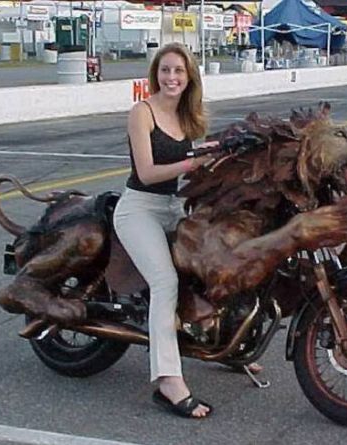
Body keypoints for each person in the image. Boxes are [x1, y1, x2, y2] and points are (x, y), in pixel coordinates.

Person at [113, 42, 217, 419]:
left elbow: (192, 161)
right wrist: (193, 163)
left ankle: (226, 345)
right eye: (165, 70)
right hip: (139, 208)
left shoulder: (187, 116)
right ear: (155, 74)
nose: (171, 77)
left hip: (175, 206)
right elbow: (146, 173)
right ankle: (168, 382)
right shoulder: (142, 112)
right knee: (165, 281)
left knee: (215, 258)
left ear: (190, 77)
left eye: (178, 71)